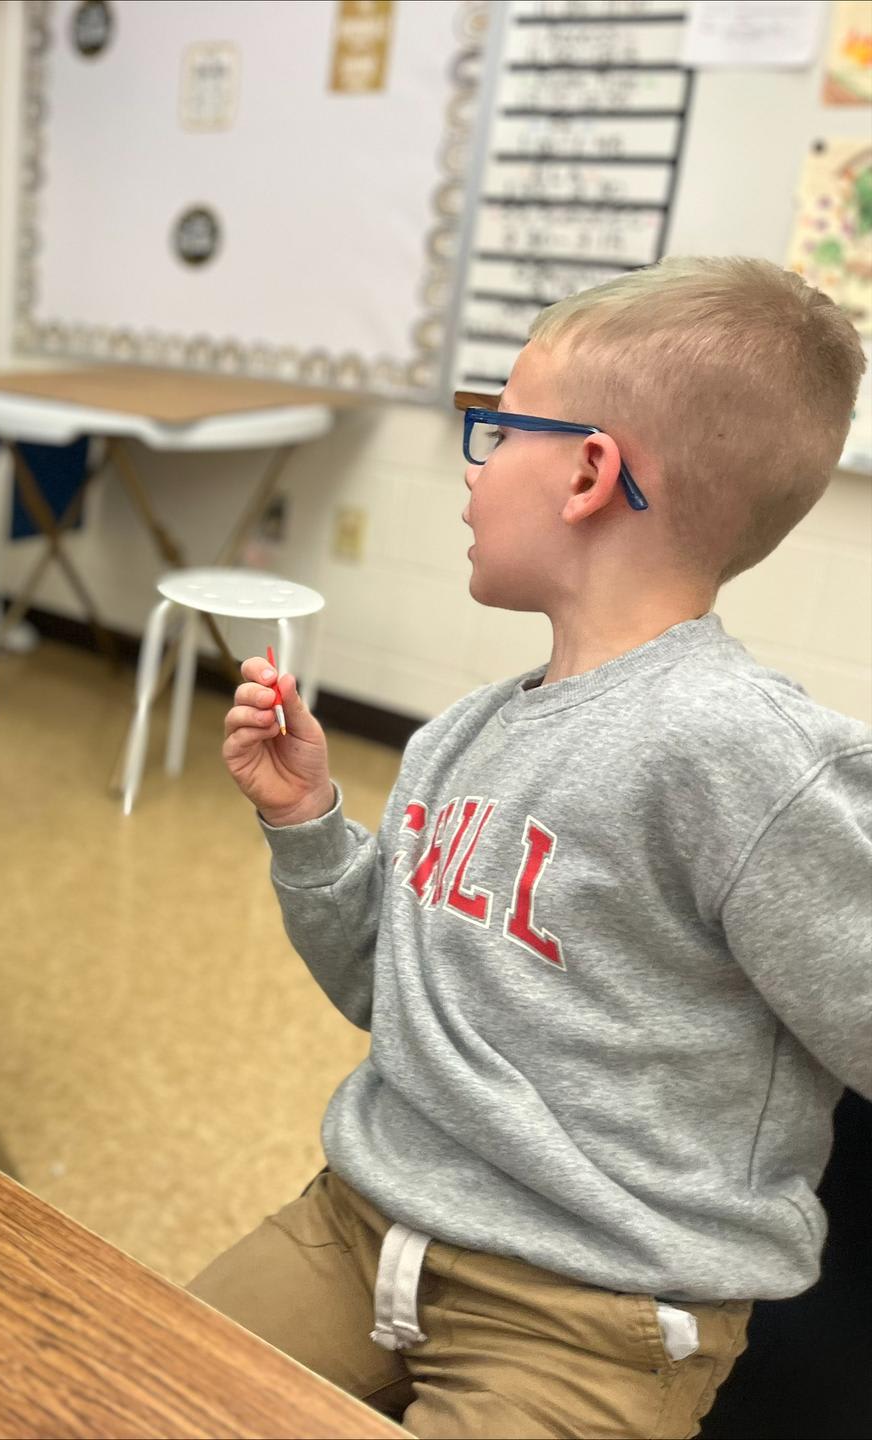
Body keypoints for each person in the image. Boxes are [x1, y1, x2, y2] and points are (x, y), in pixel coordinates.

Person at [197, 257, 871, 1437]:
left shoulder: (744, 753)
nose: (475, 467)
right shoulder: (461, 737)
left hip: (593, 1313)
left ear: (590, 473)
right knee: (109, 1379)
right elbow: (384, 994)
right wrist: (306, 822)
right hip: (361, 1230)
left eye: (499, 428)